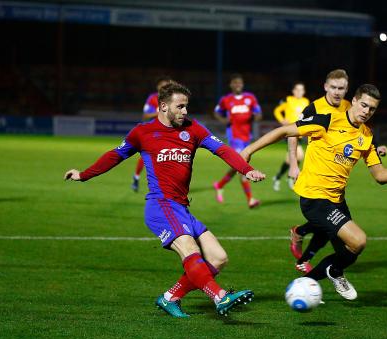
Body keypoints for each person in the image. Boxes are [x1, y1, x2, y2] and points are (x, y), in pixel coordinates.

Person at [64, 82, 265, 318]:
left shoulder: (193, 129)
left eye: (186, 107)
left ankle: (170, 297)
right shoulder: (142, 132)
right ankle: (220, 297)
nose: (185, 112)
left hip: (181, 207)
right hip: (161, 205)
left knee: (219, 259)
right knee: (190, 250)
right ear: (163, 107)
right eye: (180, 107)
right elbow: (114, 156)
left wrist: (246, 169)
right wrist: (84, 175)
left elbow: (223, 150)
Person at [241, 84, 387, 300]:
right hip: (315, 199)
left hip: (337, 201)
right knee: (359, 240)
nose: (366, 112)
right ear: (353, 101)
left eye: (372, 109)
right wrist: (248, 150)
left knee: (348, 253)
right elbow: (284, 131)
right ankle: (309, 282)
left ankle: (327, 274)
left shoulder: (367, 136)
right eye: (363, 105)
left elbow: (379, 175)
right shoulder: (328, 121)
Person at [287, 70, 387, 273]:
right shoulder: (314, 108)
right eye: (333, 87)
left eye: (341, 88)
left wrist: (376, 150)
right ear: (325, 86)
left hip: (336, 183)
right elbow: (292, 132)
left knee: (331, 227)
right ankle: (306, 258)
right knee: (330, 225)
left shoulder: (350, 107)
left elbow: (360, 136)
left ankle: (303, 240)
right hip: (316, 174)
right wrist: (293, 163)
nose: (337, 92)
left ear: (347, 90)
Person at [212, 74, 263, 208]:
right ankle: (250, 200)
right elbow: (217, 112)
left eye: (239, 83)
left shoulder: (250, 98)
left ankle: (219, 185)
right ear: (231, 85)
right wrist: (223, 120)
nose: (237, 85)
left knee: (237, 167)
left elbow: (259, 114)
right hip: (235, 138)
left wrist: (255, 117)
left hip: (247, 137)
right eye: (235, 83)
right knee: (242, 166)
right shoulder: (226, 100)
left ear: (242, 84)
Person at [131, 77, 172, 192]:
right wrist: (159, 112)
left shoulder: (171, 99)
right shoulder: (152, 98)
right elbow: (145, 116)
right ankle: (136, 177)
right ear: (158, 87)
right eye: (163, 86)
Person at [272, 82, 310, 191]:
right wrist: (282, 121)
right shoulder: (288, 100)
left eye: (301, 90)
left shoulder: (305, 101)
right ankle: (289, 177)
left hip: (300, 132)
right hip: (290, 132)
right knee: (299, 155)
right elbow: (277, 111)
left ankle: (279, 177)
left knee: (291, 159)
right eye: (297, 89)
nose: (299, 92)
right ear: (293, 91)